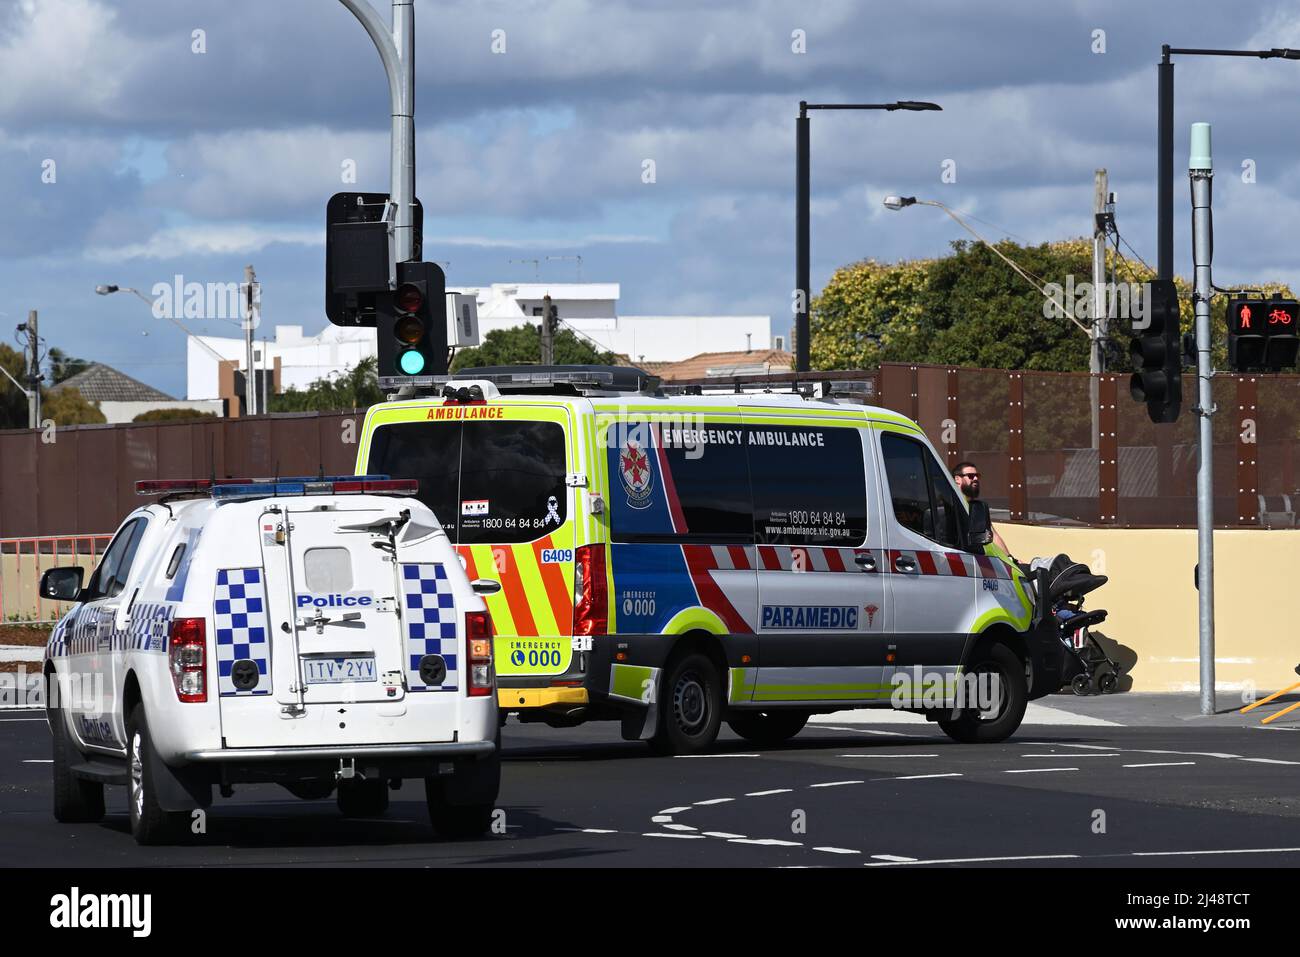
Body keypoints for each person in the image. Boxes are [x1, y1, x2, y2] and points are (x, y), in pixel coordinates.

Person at [952, 461, 1010, 555]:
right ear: (957, 479)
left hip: (981, 559)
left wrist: (1010, 558)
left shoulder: (977, 506)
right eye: (970, 476)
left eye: (977, 476)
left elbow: (992, 534)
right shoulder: (951, 503)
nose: (975, 479)